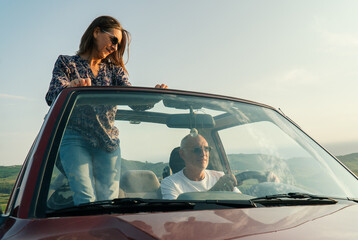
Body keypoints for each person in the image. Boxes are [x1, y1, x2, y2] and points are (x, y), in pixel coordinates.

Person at [45, 16, 167, 205]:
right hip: (75, 137)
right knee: (85, 198)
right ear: (96, 32)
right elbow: (52, 95)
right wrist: (70, 87)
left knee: (108, 200)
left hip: (108, 142)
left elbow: (133, 101)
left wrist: (156, 95)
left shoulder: (114, 71)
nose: (115, 48)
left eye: (119, 45)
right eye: (114, 40)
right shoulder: (66, 63)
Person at [161, 134, 240, 200]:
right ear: (182, 154)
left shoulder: (219, 177)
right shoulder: (170, 183)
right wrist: (215, 191)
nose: (203, 153)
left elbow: (240, 201)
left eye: (206, 149)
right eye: (197, 150)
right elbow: (176, 213)